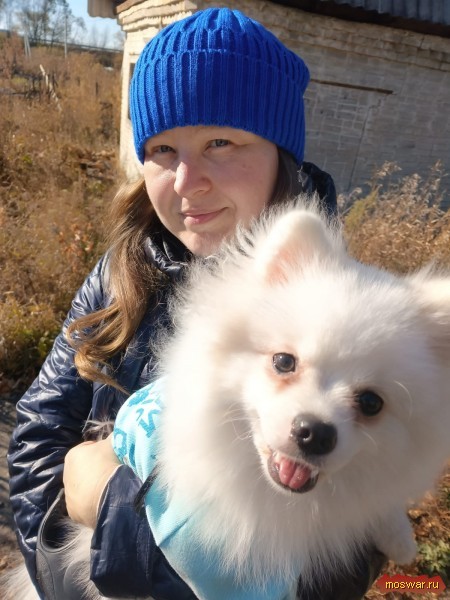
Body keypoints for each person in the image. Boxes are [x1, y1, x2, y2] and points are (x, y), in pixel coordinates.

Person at [8, 7, 385, 600]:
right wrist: (63, 578)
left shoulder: (347, 314)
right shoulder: (122, 272)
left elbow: (345, 562)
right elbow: (39, 428)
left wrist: (115, 514)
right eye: (162, 148)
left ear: (280, 152)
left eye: (220, 142)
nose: (187, 181)